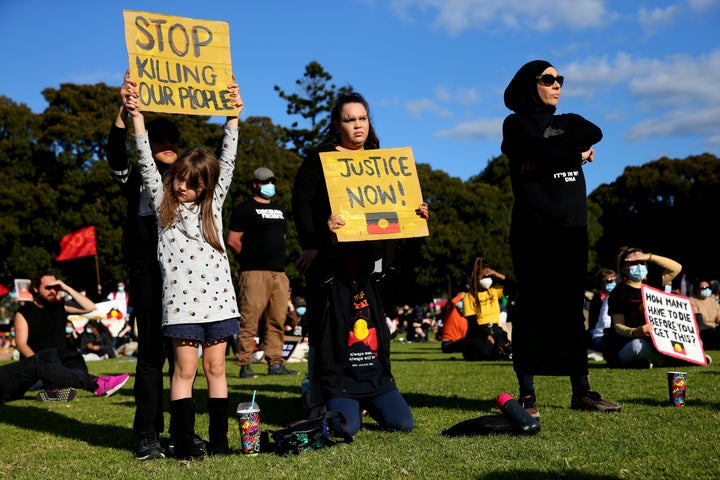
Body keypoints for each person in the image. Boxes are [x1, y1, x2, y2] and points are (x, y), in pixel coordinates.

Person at [293, 90, 428, 436]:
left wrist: (415, 215)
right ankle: (320, 396)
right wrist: (314, 241)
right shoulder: (318, 160)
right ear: (336, 125)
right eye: (349, 119)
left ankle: (373, 388)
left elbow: (394, 210)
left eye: (362, 118)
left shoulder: (380, 162)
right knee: (329, 330)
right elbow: (303, 204)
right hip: (331, 264)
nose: (357, 125)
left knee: (371, 327)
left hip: (372, 267)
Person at [124, 75, 244, 459]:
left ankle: (221, 442)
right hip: (180, 307)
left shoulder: (214, 208)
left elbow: (227, 160)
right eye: (178, 180)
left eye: (191, 184)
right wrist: (136, 116)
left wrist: (233, 117)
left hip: (220, 304)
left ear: (206, 187)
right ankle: (183, 442)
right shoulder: (164, 208)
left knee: (217, 370)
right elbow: (145, 159)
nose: (181, 188)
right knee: (184, 371)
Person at [501, 60, 620, 414]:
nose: (557, 85)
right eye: (548, 79)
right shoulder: (516, 123)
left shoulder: (568, 120)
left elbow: (594, 132)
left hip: (572, 230)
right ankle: (527, 394)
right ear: (529, 84)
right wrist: (573, 154)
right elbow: (536, 149)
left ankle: (581, 390)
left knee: (571, 310)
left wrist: (555, 154)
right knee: (532, 308)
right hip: (534, 230)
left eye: (560, 79)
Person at [108, 72, 186, 460]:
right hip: (149, 278)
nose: (168, 144)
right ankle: (148, 434)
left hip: (186, 281)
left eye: (174, 140)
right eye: (160, 139)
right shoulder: (136, 177)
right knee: (152, 356)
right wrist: (124, 112)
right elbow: (115, 152)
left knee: (184, 360)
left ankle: (181, 433)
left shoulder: (189, 181)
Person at [227, 166, 297, 378]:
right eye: (265, 182)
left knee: (277, 320)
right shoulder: (244, 209)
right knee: (250, 320)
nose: (270, 186)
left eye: (272, 181)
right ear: (255, 184)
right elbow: (232, 240)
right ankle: (244, 363)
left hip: (279, 273)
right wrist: (249, 259)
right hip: (254, 273)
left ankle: (275, 363)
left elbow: (282, 238)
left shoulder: (280, 210)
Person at [606, 248, 684, 368]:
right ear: (624, 269)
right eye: (633, 263)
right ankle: (671, 360)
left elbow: (676, 268)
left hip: (656, 341)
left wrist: (648, 256)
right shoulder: (619, 292)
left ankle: (655, 360)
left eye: (641, 262)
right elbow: (618, 326)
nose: (639, 265)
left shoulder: (653, 284)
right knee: (637, 346)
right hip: (628, 343)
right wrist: (635, 332)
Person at [0, 347, 130, 403]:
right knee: (37, 365)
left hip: (14, 387)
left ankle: (52, 388)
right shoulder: (23, 313)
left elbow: (89, 307)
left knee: (44, 364)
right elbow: (21, 343)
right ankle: (96, 384)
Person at [460, 258, 512, 361]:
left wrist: (497, 275)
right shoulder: (469, 297)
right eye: (484, 276)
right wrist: (488, 336)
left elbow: (514, 286)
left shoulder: (494, 291)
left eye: (489, 276)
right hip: (479, 332)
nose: (487, 278)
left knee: (507, 350)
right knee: (488, 351)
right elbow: (472, 323)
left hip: (496, 329)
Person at [586, 268, 617, 357]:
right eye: (610, 280)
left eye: (615, 280)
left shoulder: (616, 295)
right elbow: (598, 322)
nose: (613, 283)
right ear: (601, 282)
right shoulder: (598, 299)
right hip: (598, 331)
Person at [691, 279, 720, 350]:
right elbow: (698, 321)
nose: (707, 289)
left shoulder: (713, 302)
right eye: (704, 288)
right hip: (703, 331)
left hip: (714, 329)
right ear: (697, 290)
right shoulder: (692, 301)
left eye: (708, 287)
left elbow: (718, 318)